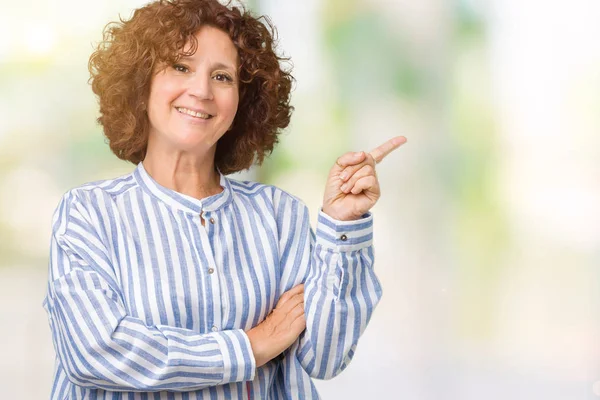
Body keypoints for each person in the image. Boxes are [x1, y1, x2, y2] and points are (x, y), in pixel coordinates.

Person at [42, 0, 406, 398]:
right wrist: (253, 346)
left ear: (242, 103)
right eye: (180, 67)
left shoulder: (278, 215)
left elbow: (324, 357)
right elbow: (96, 352)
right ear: (140, 84)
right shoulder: (89, 214)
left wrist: (343, 224)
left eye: (222, 77)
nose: (200, 91)